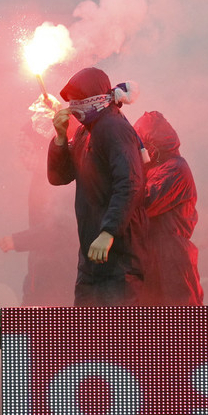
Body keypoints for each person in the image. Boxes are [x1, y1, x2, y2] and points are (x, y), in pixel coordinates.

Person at [49, 67, 148, 307]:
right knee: (86, 340)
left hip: (120, 259)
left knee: (118, 341)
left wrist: (108, 232)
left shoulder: (115, 128)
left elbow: (130, 182)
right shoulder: (85, 133)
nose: (73, 106)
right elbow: (58, 176)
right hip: (91, 258)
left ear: (95, 98)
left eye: (78, 99)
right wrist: (60, 138)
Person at [0, 124, 77, 307]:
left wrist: (18, 240)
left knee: (51, 331)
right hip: (43, 273)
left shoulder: (58, 180)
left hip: (58, 276)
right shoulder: (43, 178)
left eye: (27, 149)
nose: (23, 156)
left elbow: (61, 228)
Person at [133, 111, 203, 306]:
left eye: (142, 145)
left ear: (153, 145)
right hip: (152, 256)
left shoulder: (175, 168)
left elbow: (144, 203)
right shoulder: (155, 168)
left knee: (178, 327)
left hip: (171, 258)